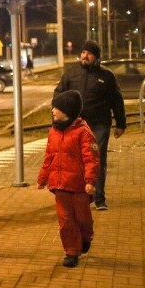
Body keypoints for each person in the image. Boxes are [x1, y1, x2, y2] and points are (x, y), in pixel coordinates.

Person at [54, 40, 125, 210]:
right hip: (76, 125)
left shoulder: (107, 76)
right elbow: (59, 94)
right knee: (76, 161)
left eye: (90, 53)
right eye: (84, 52)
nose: (85, 56)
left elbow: (117, 100)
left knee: (97, 159)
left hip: (99, 125)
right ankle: (80, 195)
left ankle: (99, 197)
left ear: (97, 57)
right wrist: (57, 117)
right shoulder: (71, 74)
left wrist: (120, 123)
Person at [37, 90, 100, 268]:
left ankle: (86, 237)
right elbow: (49, 156)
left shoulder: (83, 132)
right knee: (65, 220)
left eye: (56, 108)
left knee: (82, 218)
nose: (53, 111)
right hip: (59, 185)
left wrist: (90, 181)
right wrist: (42, 178)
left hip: (79, 185)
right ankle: (71, 251)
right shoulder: (54, 131)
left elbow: (91, 159)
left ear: (68, 111)